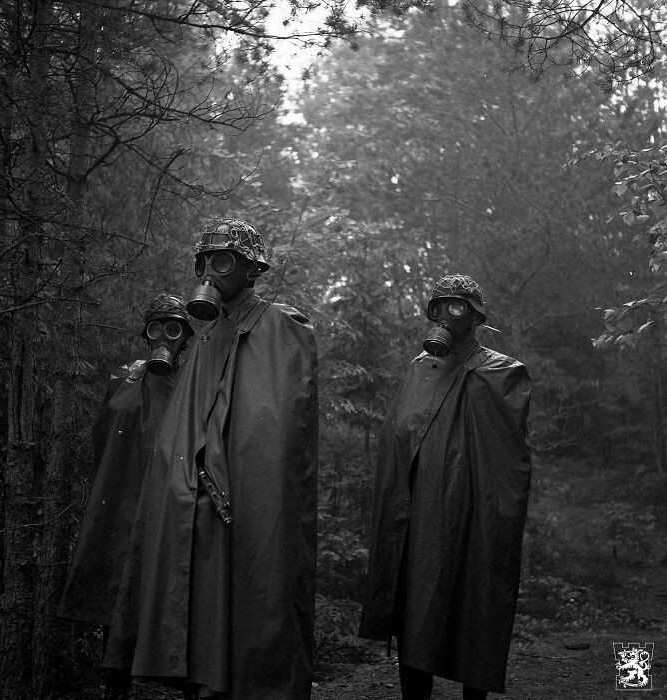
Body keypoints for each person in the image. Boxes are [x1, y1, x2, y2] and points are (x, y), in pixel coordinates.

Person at [104, 218, 319, 700]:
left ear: (252, 269)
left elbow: (282, 433)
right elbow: (183, 428)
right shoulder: (204, 338)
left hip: (249, 501)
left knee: (254, 612)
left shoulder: (281, 326)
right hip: (196, 501)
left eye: (223, 261)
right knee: (200, 623)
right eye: (204, 262)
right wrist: (181, 485)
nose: (210, 272)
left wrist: (236, 476)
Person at [359, 274, 532, 700]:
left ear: (475, 317)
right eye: (438, 308)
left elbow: (506, 463)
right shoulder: (420, 368)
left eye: (457, 308)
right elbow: (400, 439)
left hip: (473, 514)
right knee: (415, 605)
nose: (446, 318)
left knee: (476, 601)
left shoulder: (501, 373)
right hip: (420, 513)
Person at [57, 293, 195, 699]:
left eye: (174, 329)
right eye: (157, 329)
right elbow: (104, 437)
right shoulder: (124, 380)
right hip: (121, 502)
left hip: (169, 503)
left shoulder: (194, 383)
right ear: (146, 335)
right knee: (117, 589)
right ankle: (115, 686)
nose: (165, 338)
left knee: (175, 589)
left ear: (186, 337)